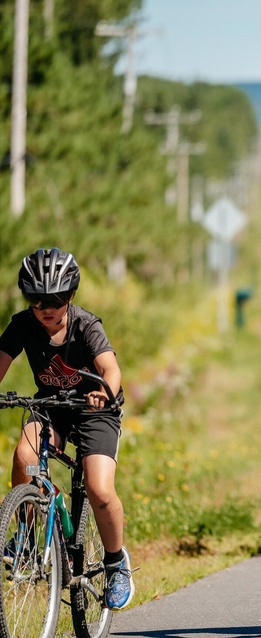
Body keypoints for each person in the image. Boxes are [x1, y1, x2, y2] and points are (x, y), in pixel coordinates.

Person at [0, 248, 135, 609]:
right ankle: (29, 536)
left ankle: (116, 563)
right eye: (37, 298)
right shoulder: (22, 326)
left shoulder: (85, 325)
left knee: (99, 490)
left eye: (56, 299)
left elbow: (111, 369)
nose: (47, 306)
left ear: (71, 295)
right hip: (52, 408)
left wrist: (104, 393)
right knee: (24, 456)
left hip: (96, 411)